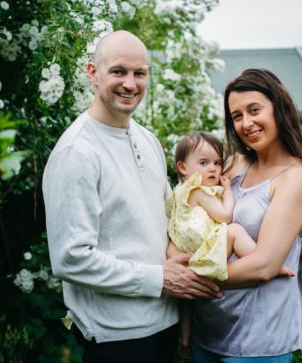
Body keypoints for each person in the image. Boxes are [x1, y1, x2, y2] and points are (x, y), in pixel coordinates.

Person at [42, 30, 221, 363]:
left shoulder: (147, 139)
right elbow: (70, 258)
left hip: (165, 325)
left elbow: (172, 219)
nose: (130, 83)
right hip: (117, 339)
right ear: (93, 73)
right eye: (118, 71)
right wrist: (159, 277)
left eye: (139, 73)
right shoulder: (76, 152)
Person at [190, 68, 302, 362]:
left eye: (254, 110)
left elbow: (264, 266)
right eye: (237, 116)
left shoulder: (296, 179)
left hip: (257, 340)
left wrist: (191, 277)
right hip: (208, 329)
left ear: (279, 108)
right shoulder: (234, 164)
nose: (246, 123)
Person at [166, 131, 295, 358]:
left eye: (217, 162)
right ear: (183, 168)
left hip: (187, 253)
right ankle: (267, 262)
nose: (214, 169)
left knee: (186, 299)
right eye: (204, 163)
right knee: (234, 231)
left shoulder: (178, 193)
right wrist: (227, 192)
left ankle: (185, 340)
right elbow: (225, 216)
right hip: (202, 250)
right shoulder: (197, 190)